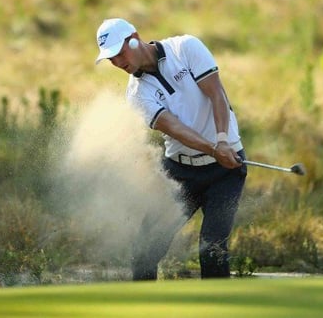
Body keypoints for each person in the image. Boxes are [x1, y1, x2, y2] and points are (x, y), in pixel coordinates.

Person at [94, 18, 247, 280]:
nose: (119, 63)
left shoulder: (185, 48)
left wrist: (222, 141)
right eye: (111, 60)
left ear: (135, 37)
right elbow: (173, 128)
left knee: (212, 248)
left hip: (226, 169)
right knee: (145, 249)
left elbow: (216, 94)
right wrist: (213, 148)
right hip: (180, 173)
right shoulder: (136, 94)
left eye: (120, 54)